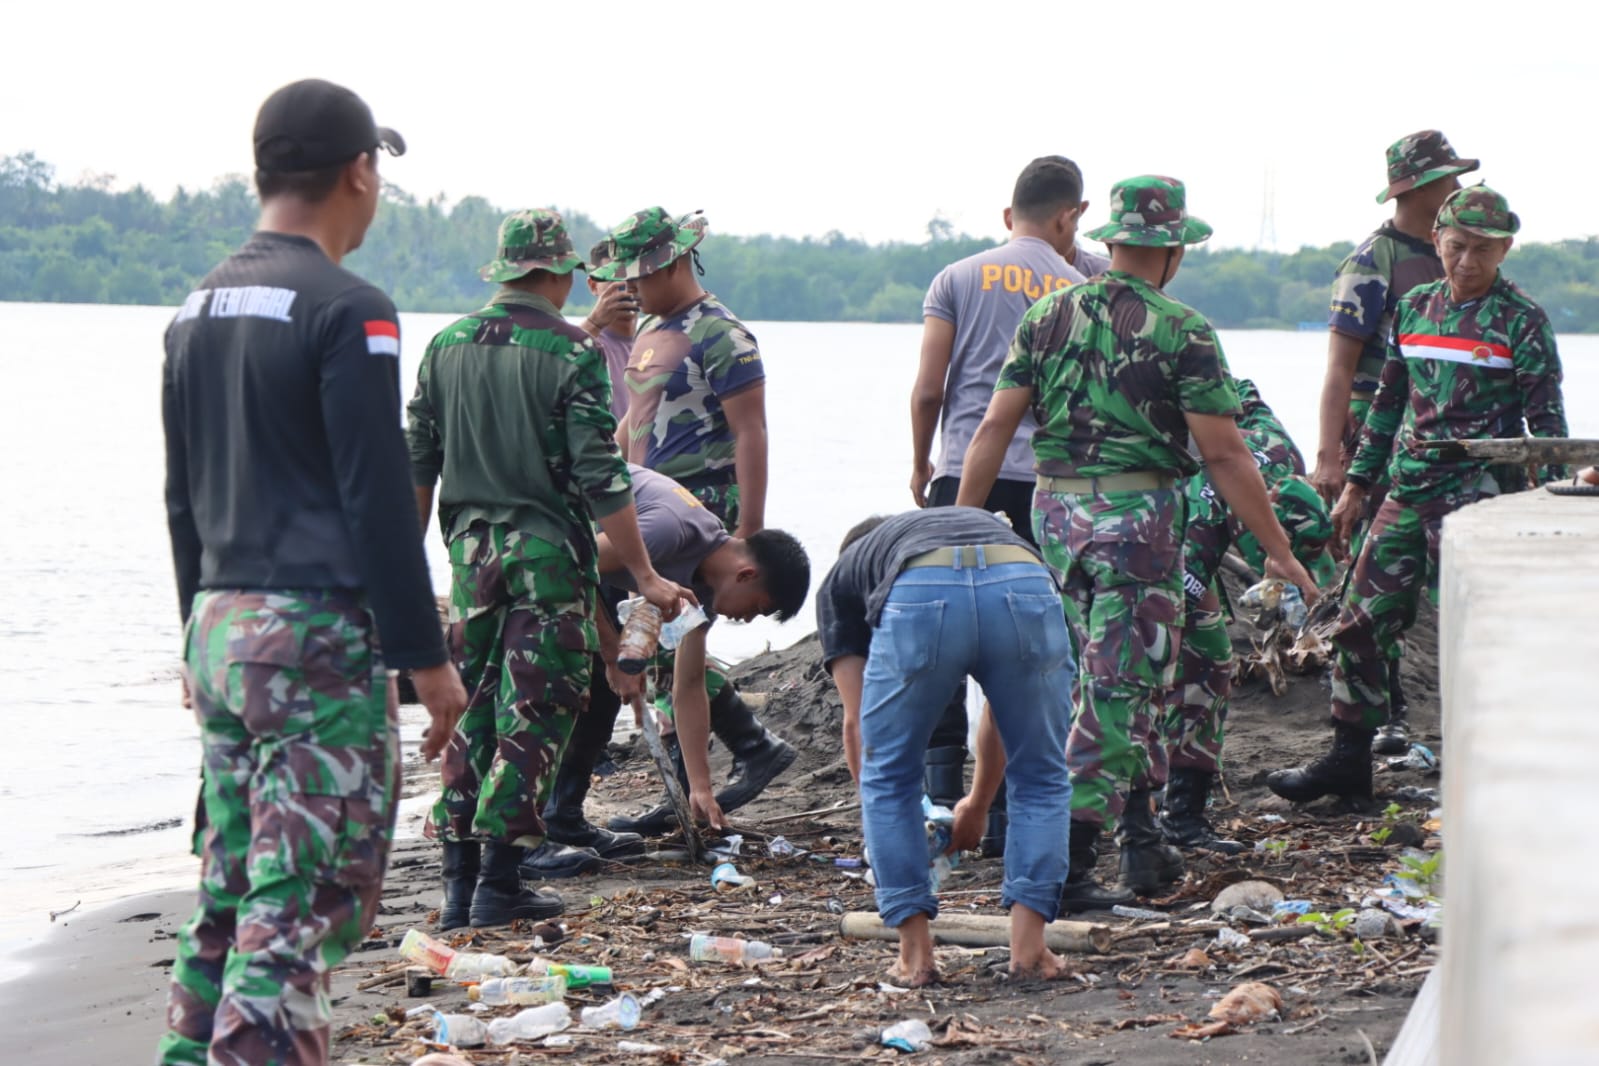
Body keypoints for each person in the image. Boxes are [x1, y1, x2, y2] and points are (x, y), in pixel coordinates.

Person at [158, 78, 469, 1066]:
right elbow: (376, 496)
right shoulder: (349, 308)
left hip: (219, 624)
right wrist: (426, 658)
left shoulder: (196, 307)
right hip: (309, 639)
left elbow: (181, 495)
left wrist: (191, 632)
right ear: (360, 173)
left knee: (231, 886)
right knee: (298, 904)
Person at [957, 175, 1318, 911]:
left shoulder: (1047, 315)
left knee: (1109, 678)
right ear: (1173, 250)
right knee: (1118, 691)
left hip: (1056, 518)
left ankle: (1144, 841)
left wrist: (960, 522)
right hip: (1137, 526)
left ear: (1113, 239)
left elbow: (993, 427)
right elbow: (1225, 454)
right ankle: (1068, 863)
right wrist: (1277, 550)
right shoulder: (1182, 329)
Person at [406, 209, 694, 928]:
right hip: (546, 560)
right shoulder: (570, 350)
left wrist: (410, 568)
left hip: (470, 559)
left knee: (473, 709)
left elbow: (418, 464)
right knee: (536, 708)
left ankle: (457, 889)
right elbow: (602, 476)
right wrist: (645, 575)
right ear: (560, 275)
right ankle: (500, 882)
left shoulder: (445, 345)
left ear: (505, 273)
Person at [1271, 185, 1567, 805]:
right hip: (1407, 490)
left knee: (1480, 633)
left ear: (1505, 249)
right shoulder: (1414, 308)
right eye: (1457, 246)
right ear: (1437, 241)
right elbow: (1387, 405)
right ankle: (1349, 762)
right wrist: (1356, 485)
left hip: (1481, 499)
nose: (1467, 261)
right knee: (1358, 624)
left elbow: (1547, 428)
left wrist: (1552, 505)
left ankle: (1496, 768)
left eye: (1483, 249)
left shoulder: (1522, 320)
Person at [907, 155, 1092, 855]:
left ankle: (938, 796)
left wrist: (921, 460)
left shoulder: (957, 276)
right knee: (1034, 643)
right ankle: (1008, 810)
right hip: (1050, 485)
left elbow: (930, 387)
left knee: (942, 629)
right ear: (1070, 216)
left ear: (1009, 215)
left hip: (966, 472)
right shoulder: (1083, 286)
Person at [589, 209, 796, 832]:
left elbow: (751, 431)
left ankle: (692, 788)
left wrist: (748, 530)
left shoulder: (721, 334)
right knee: (651, 653)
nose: (630, 289)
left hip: (700, 512)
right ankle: (725, 765)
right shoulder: (652, 329)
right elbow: (633, 419)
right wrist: (602, 477)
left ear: (674, 264)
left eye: (639, 277)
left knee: (676, 650)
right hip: (641, 506)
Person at [817, 509, 1075, 985]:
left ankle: (915, 958)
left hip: (922, 596)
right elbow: (1000, 712)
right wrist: (978, 803)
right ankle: (1030, 951)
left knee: (888, 779)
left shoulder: (843, 578)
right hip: (1022, 578)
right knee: (1041, 774)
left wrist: (885, 822)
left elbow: (859, 727)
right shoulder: (951, 526)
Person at [1310, 130, 1478, 753]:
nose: (1457, 188)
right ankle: (1383, 714)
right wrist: (1330, 457)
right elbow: (1339, 368)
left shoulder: (1454, 255)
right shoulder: (1373, 261)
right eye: (1448, 179)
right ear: (1419, 187)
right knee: (1374, 573)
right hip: (1375, 429)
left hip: (1438, 432)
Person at [585, 464, 812, 834]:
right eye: (757, 609)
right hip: (527, 517)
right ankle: (547, 824)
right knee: (578, 675)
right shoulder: (669, 532)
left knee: (601, 687)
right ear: (746, 575)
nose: (747, 619)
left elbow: (689, 685)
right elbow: (570, 567)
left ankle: (562, 818)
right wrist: (611, 656)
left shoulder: (704, 588)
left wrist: (701, 788)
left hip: (574, 552)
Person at [1162, 378, 1334, 855]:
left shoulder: (1282, 450)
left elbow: (1240, 389)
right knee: (1190, 663)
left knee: (1208, 655)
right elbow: (1170, 622)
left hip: (1180, 481)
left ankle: (1178, 806)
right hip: (1144, 516)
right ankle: (1159, 816)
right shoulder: (1205, 516)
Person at [577, 243, 640, 424]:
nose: (626, 287)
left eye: (632, 277)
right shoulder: (581, 347)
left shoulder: (656, 343)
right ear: (593, 285)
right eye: (614, 278)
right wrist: (592, 323)